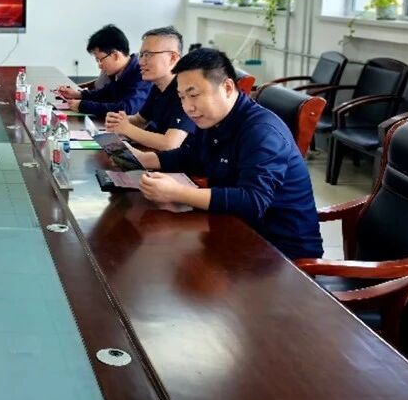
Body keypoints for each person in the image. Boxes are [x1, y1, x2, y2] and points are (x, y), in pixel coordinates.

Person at [126, 48, 323, 260]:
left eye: (194, 95)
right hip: (235, 231)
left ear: (227, 87)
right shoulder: (213, 119)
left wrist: (177, 192)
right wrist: (144, 159)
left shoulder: (262, 131)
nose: (188, 107)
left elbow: (253, 200)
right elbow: (192, 156)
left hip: (279, 254)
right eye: (182, 97)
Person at [104, 26, 195, 151]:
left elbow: (170, 143)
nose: (141, 62)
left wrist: (126, 128)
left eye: (148, 55)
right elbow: (140, 120)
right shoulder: (158, 86)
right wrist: (118, 120)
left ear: (172, 58)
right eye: (141, 55)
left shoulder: (185, 90)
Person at [56, 24, 151, 117]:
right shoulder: (121, 72)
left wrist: (83, 106)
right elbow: (105, 94)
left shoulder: (141, 73)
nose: (99, 66)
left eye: (100, 60)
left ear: (115, 55)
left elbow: (127, 109)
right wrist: (78, 94)